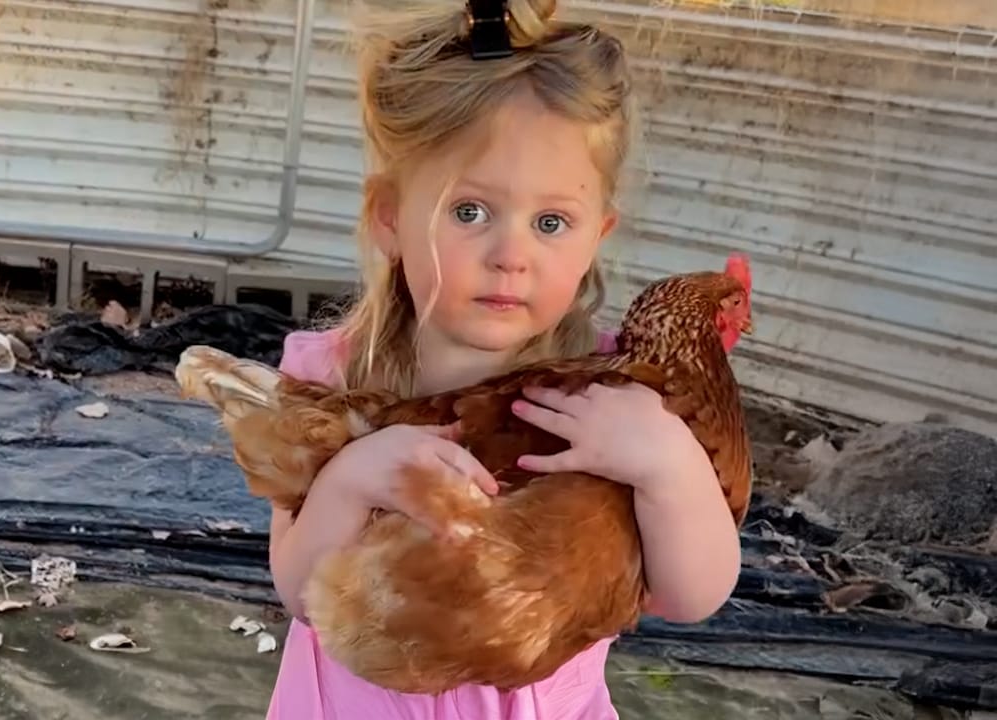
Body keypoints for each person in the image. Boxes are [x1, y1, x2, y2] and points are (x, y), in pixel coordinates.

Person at [264, 1, 743, 717]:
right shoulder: (332, 379)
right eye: (470, 212)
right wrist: (351, 481)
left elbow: (689, 597)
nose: (512, 255)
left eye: (551, 222)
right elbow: (300, 594)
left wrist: (668, 467)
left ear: (597, 236)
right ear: (389, 216)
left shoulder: (613, 401)